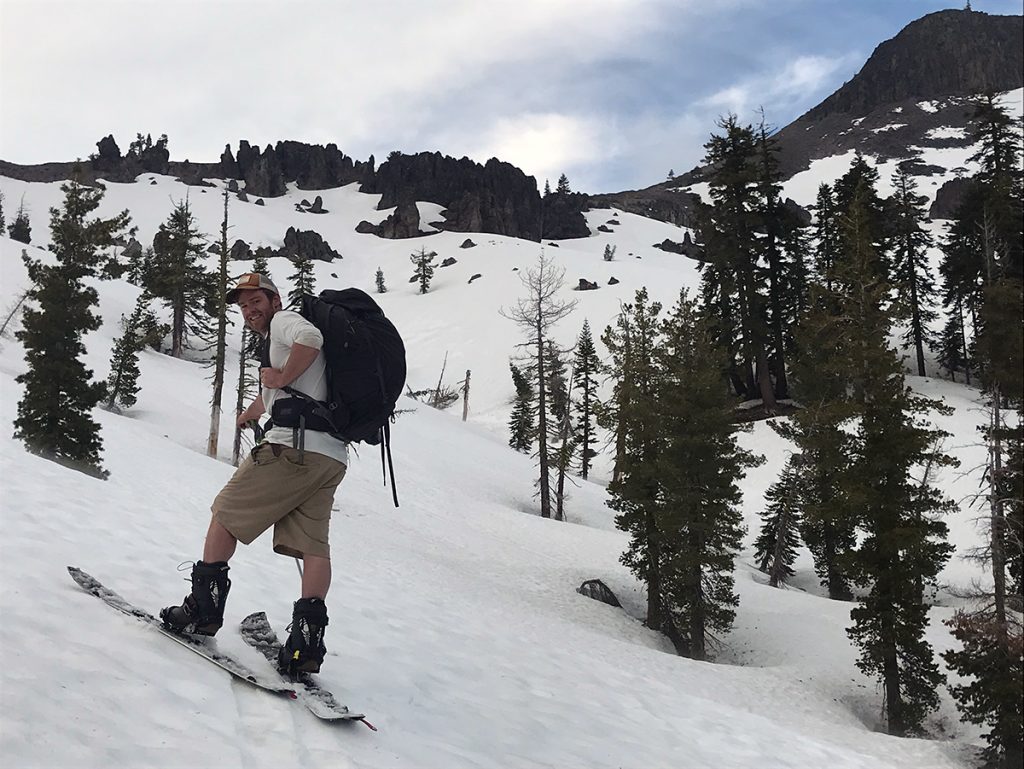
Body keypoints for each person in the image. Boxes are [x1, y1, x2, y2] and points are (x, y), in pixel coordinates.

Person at [161, 273, 349, 674]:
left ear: (274, 299)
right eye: (243, 306)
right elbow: (290, 389)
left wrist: (279, 378)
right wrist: (254, 410)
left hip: (291, 448)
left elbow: (309, 341)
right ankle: (306, 647)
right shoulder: (278, 338)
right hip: (329, 456)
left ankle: (202, 611)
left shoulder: (285, 321)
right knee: (313, 546)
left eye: (256, 301)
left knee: (224, 512)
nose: (250, 310)